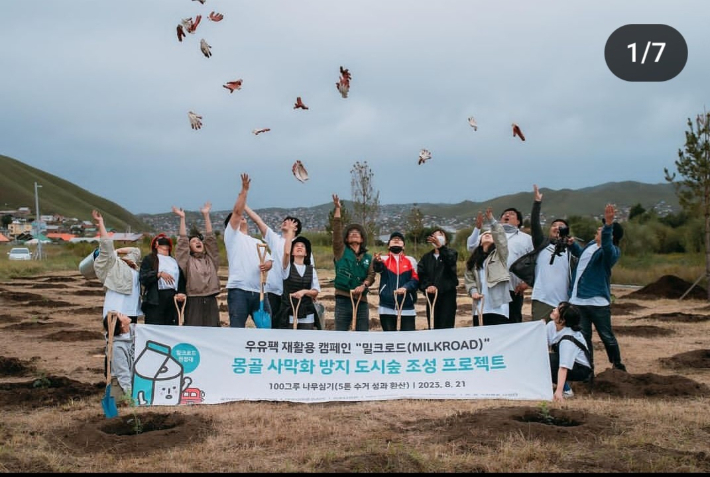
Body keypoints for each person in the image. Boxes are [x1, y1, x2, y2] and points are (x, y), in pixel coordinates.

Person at [569, 203, 627, 372]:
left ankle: (617, 365)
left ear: (610, 235)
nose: (598, 229)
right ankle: (588, 368)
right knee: (584, 337)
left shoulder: (611, 252)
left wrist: (609, 225)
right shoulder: (590, 246)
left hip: (597, 303)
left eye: (602, 228)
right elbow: (582, 258)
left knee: (607, 336)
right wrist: (573, 245)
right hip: (578, 301)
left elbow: (607, 247)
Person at [510, 184, 577, 322]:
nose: (557, 228)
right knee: (541, 335)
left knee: (561, 336)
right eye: (554, 226)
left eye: (561, 227)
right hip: (542, 298)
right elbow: (535, 225)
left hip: (565, 300)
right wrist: (537, 203)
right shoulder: (542, 244)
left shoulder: (572, 250)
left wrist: (572, 245)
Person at [92, 209, 142, 379]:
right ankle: (111, 379)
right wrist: (101, 224)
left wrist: (119, 252)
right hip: (117, 310)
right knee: (114, 344)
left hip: (132, 311)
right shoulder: (109, 265)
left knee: (130, 346)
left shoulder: (131, 264)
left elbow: (136, 250)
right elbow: (106, 245)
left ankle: (127, 377)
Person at [224, 173, 274, 328]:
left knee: (266, 329)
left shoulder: (257, 242)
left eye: (245, 218)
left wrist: (268, 265)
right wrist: (244, 191)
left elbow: (270, 260)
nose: (242, 218)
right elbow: (237, 212)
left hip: (260, 291)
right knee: (237, 329)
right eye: (239, 218)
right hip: (239, 290)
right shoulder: (232, 236)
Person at [245, 205, 305, 329]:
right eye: (284, 220)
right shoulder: (275, 239)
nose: (285, 222)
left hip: (291, 293)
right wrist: (244, 204)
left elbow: (308, 268)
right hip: (272, 290)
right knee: (270, 326)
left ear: (295, 227)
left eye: (289, 221)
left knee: (288, 328)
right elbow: (258, 221)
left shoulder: (301, 245)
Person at [468, 207, 533, 323]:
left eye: (511, 214)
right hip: (488, 288)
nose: (506, 215)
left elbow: (534, 261)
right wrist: (477, 228)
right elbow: (471, 247)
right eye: (504, 214)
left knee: (512, 320)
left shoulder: (526, 239)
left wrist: (527, 282)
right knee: (487, 320)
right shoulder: (490, 234)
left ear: (518, 221)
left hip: (514, 287)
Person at [331, 194, 376, 331]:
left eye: (357, 233)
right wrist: (338, 209)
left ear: (362, 239)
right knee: (341, 334)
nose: (354, 233)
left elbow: (371, 275)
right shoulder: (340, 251)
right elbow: (337, 232)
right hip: (343, 298)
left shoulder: (368, 257)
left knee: (362, 334)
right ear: (346, 239)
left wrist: (364, 286)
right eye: (351, 233)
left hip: (362, 300)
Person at [173, 203, 221, 327]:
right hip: (193, 300)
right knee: (193, 331)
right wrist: (182, 218)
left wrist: (206, 215)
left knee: (213, 331)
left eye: (199, 240)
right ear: (189, 247)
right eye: (193, 241)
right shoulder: (187, 262)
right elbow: (182, 243)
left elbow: (210, 240)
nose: (198, 242)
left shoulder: (211, 259)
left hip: (211, 299)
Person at [464, 207, 512, 326]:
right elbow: (469, 280)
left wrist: (492, 221)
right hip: (480, 306)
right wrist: (473, 292)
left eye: (490, 235)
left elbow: (501, 239)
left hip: (498, 307)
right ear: (479, 242)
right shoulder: (474, 261)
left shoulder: (500, 255)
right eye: (484, 234)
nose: (487, 235)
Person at [373, 231, 420, 331]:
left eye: (400, 239)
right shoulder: (383, 259)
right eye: (393, 239)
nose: (397, 239)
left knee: (408, 338)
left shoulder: (411, 260)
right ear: (388, 245)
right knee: (389, 338)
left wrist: (405, 287)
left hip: (407, 305)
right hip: (386, 305)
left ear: (404, 247)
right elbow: (378, 269)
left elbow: (415, 280)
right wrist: (376, 262)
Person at [546, 302, 593, 402]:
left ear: (562, 320)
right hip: (565, 361)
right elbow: (541, 345)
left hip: (580, 368)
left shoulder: (568, 340)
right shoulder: (551, 325)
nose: (554, 309)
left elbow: (563, 367)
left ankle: (566, 390)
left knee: (548, 361)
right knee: (544, 358)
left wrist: (558, 391)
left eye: (557, 310)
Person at [280, 220, 321, 330]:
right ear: (293, 252)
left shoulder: (311, 269)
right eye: (296, 246)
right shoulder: (287, 267)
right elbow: (286, 253)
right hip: (289, 311)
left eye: (302, 246)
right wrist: (289, 233)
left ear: (306, 253)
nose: (299, 247)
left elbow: (315, 291)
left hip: (307, 312)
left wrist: (304, 292)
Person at [140, 232, 186, 326]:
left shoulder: (174, 261)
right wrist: (158, 274)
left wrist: (181, 292)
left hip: (172, 299)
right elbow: (143, 278)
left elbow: (181, 280)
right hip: (155, 299)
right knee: (155, 326)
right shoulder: (150, 259)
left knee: (170, 326)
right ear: (156, 245)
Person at [417, 228, 459, 329]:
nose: (437, 238)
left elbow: (450, 262)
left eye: (440, 235)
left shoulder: (452, 253)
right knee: (432, 324)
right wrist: (427, 286)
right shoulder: (426, 257)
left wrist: (441, 247)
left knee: (446, 325)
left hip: (447, 295)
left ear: (446, 239)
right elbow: (421, 274)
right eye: (434, 235)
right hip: (431, 296)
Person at [103, 311, 135, 401]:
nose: (124, 313)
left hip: (133, 379)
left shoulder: (131, 332)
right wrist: (129, 394)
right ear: (121, 325)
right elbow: (122, 372)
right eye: (121, 315)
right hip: (120, 385)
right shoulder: (116, 347)